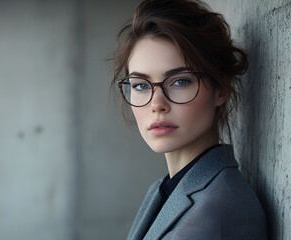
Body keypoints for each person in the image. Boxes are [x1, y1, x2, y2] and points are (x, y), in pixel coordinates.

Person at [111, 0, 268, 239]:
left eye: (180, 81)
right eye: (141, 85)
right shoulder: (163, 190)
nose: (157, 105)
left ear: (220, 89)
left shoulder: (219, 209)